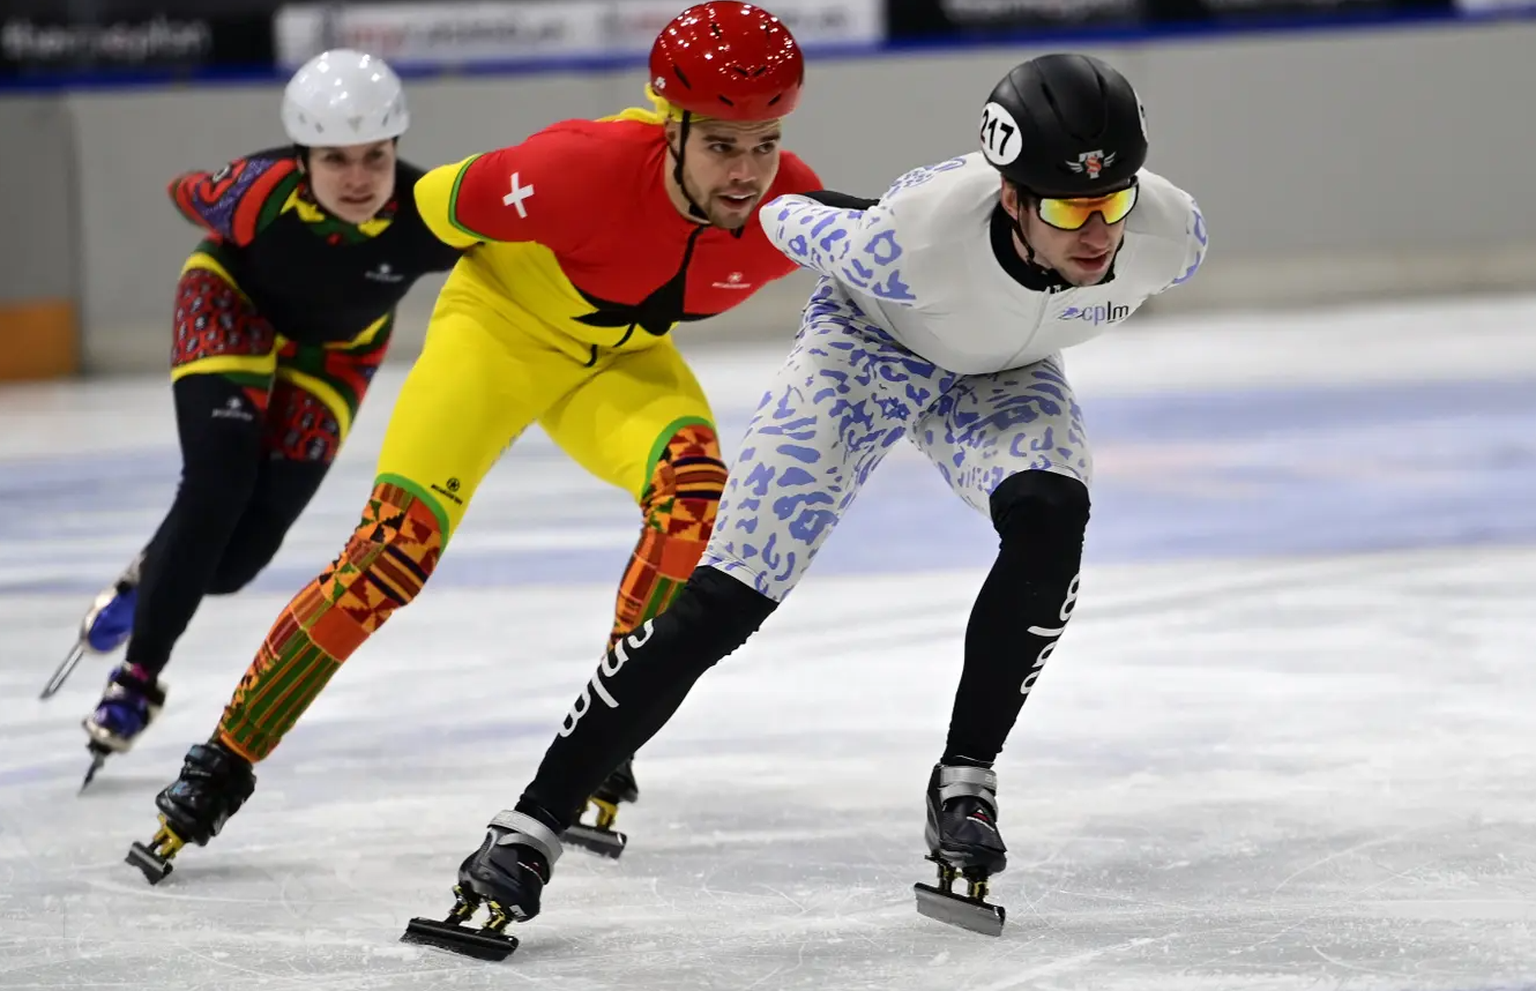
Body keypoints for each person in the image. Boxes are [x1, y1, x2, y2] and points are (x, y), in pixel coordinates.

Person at [398, 52, 1210, 957]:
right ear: (1010, 195)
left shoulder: (1171, 234)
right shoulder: (913, 238)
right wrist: (732, 200)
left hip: (1002, 376)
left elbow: (1099, 248)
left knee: (1054, 516)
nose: (1097, 231)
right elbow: (786, 213)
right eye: (1066, 206)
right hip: (868, 348)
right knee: (728, 596)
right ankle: (528, 828)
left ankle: (965, 783)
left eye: (1112, 202)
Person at [123, 0, 825, 884]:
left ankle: (610, 733)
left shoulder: (790, 201)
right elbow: (421, 209)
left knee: (693, 494)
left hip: (618, 362)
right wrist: (310, 291)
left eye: (765, 142)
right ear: (670, 124)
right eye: (723, 144)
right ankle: (219, 764)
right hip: (495, 335)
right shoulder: (573, 167)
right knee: (388, 559)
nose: (747, 173)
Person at [43, 48, 464, 791]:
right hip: (230, 304)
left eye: (376, 156)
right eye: (336, 159)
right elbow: (185, 193)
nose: (360, 179)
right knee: (218, 478)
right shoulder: (250, 192)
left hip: (338, 352)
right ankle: (138, 678)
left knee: (234, 564)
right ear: (303, 157)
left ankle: (147, 577)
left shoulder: (428, 211)